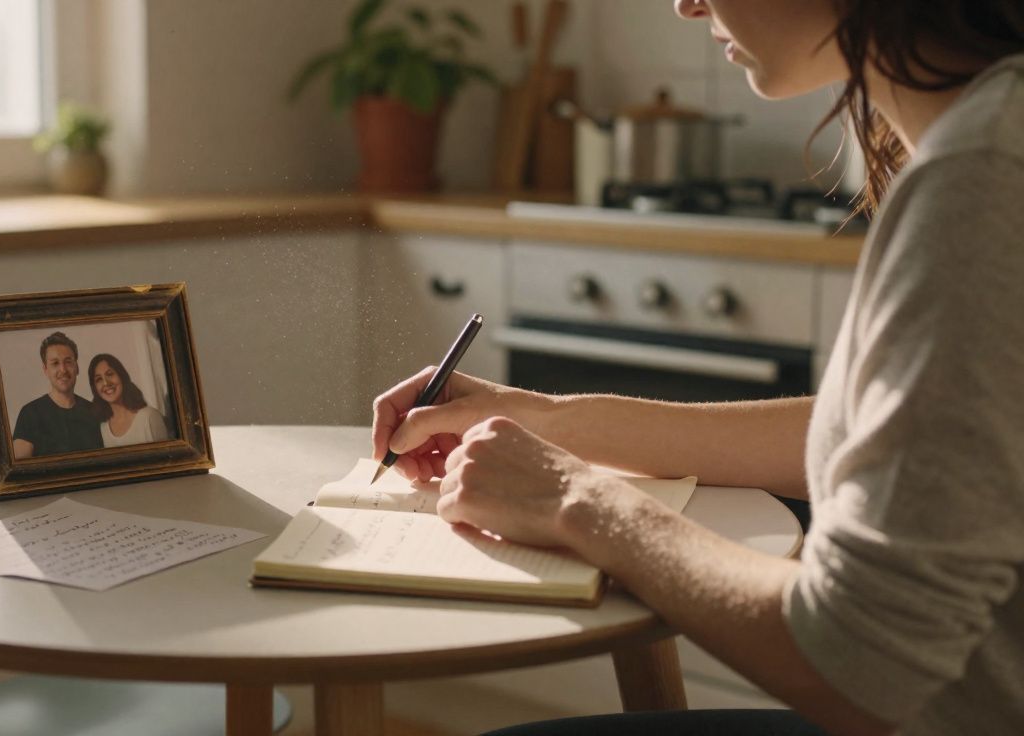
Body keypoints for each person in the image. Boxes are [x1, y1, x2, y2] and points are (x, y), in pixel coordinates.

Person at [372, 2, 1024, 734]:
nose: (686, 2)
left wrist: (576, 499)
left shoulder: (984, 176)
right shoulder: (989, 133)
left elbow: (861, 663)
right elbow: (896, 441)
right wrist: (544, 419)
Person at [12, 331, 103, 459]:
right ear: (45, 370)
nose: (63, 369)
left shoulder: (94, 412)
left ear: (77, 367)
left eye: (68, 362)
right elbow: (20, 469)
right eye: (55, 363)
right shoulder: (30, 414)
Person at [88, 352, 170, 448]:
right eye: (99, 379)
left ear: (122, 376)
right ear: (95, 388)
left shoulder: (149, 417)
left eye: (110, 374)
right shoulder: (103, 428)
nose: (106, 383)